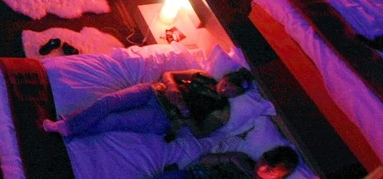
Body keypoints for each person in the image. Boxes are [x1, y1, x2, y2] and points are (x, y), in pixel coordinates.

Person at [42, 67, 256, 139]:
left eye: (233, 90)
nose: (226, 89)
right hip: (154, 91)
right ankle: (68, 125)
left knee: (114, 120)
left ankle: (70, 129)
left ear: (236, 95)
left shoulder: (222, 111)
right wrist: (172, 87)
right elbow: (168, 74)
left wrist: (185, 111)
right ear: (225, 77)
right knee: (108, 101)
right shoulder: (202, 75)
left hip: (165, 116)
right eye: (228, 83)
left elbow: (200, 133)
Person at [154, 145, 300, 179]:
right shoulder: (243, 158)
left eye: (269, 170)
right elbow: (203, 160)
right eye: (263, 160)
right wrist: (230, 158)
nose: (260, 167)